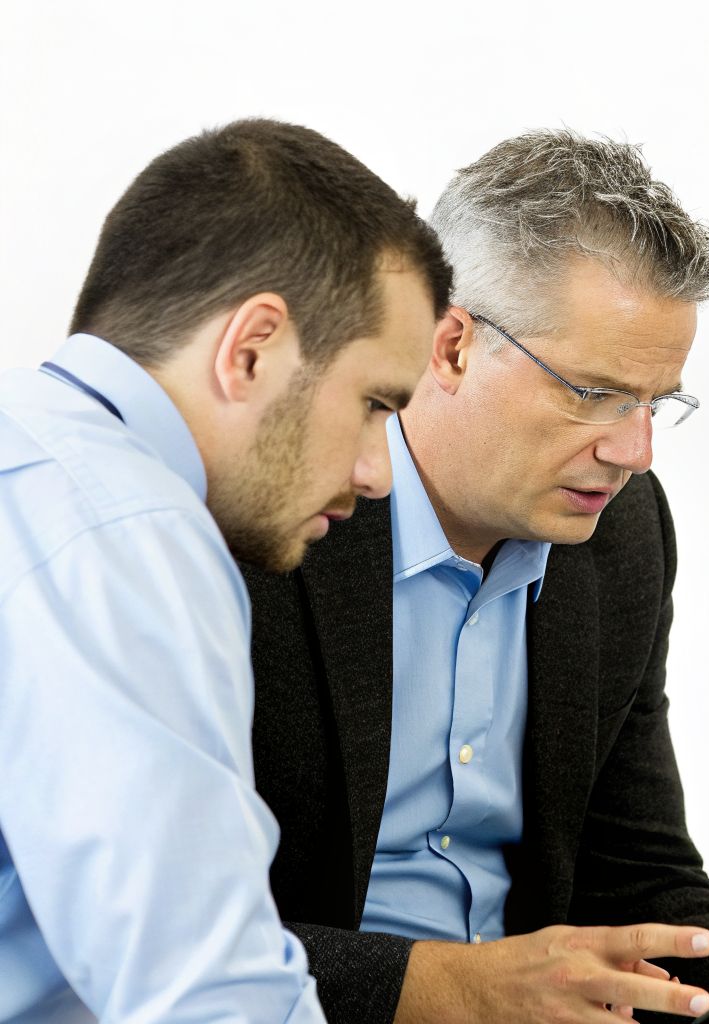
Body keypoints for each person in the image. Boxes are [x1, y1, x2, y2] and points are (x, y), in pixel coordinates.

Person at [240, 130, 709, 1024]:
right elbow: (162, 928)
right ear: (451, 346)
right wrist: (457, 989)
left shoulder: (622, 532)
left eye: (654, 401)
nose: (633, 451)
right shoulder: (266, 518)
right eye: (591, 394)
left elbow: (638, 871)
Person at [0, 119, 450, 1022]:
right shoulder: (131, 532)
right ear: (251, 348)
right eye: (373, 405)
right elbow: (211, 998)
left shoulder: (31, 463)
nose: (376, 471)